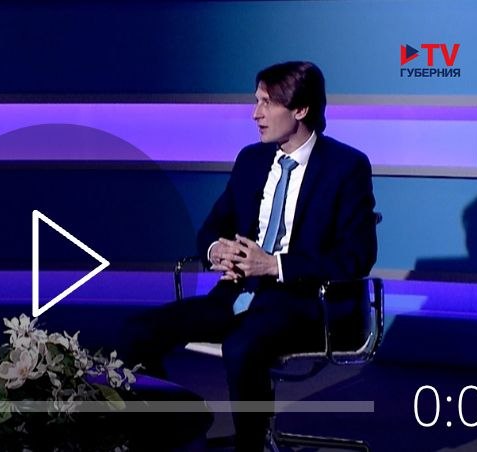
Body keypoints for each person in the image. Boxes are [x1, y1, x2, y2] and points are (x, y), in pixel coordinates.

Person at [124, 61, 377, 451]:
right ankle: (178, 427)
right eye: (255, 101)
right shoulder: (251, 160)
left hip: (307, 306)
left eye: (266, 103)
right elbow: (212, 228)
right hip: (237, 295)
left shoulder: (346, 167)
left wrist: (274, 265)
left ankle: (251, 446)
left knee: (242, 345)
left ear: (300, 109)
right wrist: (217, 250)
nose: (255, 113)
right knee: (136, 331)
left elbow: (357, 257)